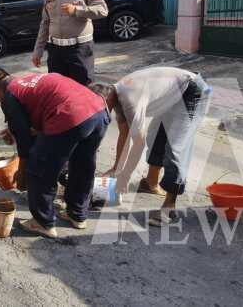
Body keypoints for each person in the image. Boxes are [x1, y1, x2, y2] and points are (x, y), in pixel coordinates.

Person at [0, 68, 110, 239]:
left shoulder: (9, 96)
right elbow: (43, 110)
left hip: (70, 116)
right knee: (82, 165)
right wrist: (14, 128)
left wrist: (23, 174)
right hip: (98, 112)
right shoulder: (29, 80)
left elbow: (25, 145)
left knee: (39, 169)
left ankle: (43, 222)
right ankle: (77, 215)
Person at [89, 67, 211, 226]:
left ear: (106, 99)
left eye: (100, 108)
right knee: (156, 137)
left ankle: (170, 206)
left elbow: (137, 143)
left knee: (175, 148)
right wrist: (116, 168)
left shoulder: (130, 100)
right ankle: (150, 183)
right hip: (173, 94)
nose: (101, 112)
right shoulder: (116, 94)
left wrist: (125, 176)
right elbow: (125, 135)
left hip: (193, 91)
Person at [31, 0, 108, 86]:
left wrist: (77, 10)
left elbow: (103, 10)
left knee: (84, 89)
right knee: (59, 88)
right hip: (56, 51)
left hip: (80, 50)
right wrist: (38, 51)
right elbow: (45, 24)